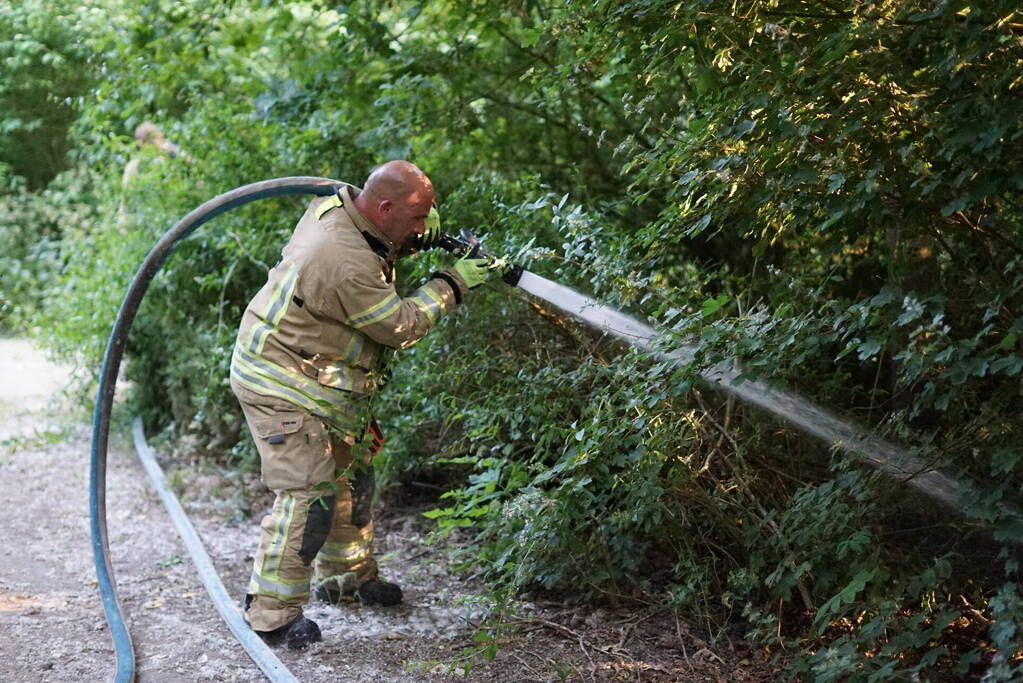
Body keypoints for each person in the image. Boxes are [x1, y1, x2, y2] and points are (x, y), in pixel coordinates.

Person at [229, 160, 496, 650]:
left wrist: (413, 236)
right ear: (386, 207)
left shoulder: (349, 207)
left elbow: (379, 239)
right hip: (281, 381)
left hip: (321, 382)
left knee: (351, 480)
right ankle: (270, 615)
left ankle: (346, 579)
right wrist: (452, 283)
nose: (423, 227)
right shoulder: (341, 256)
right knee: (308, 495)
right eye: (417, 218)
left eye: (427, 218)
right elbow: (400, 326)